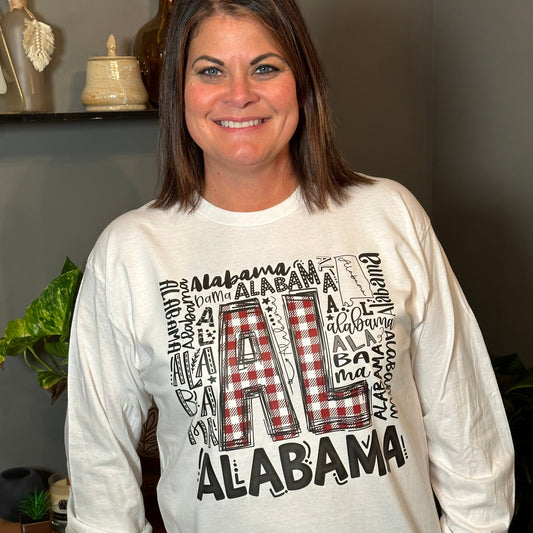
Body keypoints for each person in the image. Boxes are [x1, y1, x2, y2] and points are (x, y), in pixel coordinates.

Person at [65, 0, 514, 531]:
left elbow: (470, 436)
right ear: (178, 92)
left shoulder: (388, 215)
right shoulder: (128, 253)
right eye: (211, 70)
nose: (239, 93)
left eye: (265, 67)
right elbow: (100, 483)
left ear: (301, 81)